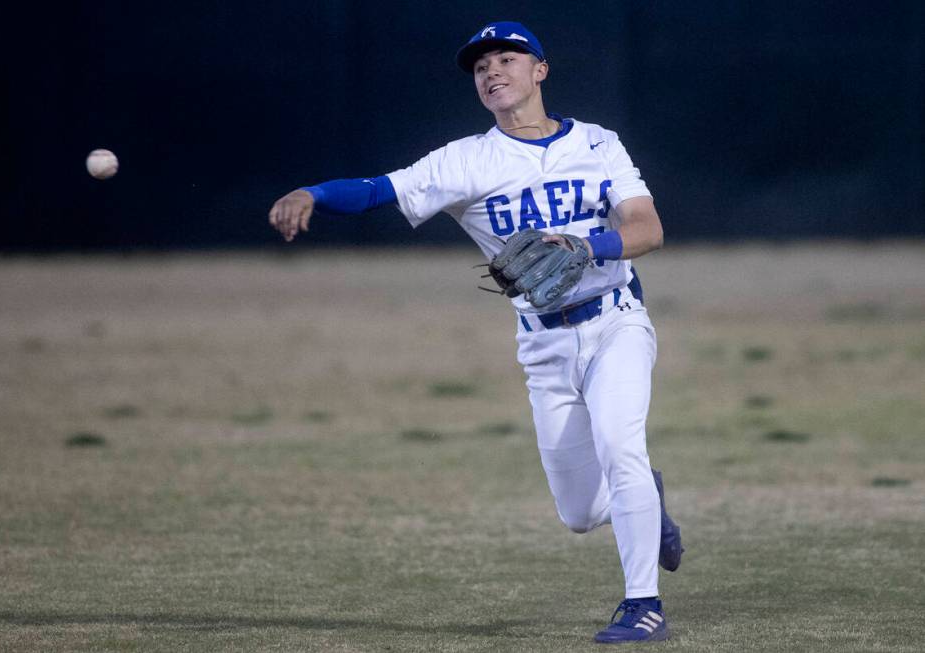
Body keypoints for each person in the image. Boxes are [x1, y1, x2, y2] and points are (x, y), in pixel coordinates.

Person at [269, 21, 683, 644]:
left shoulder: (599, 144)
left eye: (507, 58)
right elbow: (380, 190)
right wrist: (314, 192)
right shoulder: (465, 161)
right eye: (481, 65)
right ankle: (648, 503)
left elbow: (646, 229)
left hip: (616, 320)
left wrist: (585, 242)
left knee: (622, 449)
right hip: (542, 344)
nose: (491, 71)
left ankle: (642, 603)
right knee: (579, 512)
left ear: (539, 70)